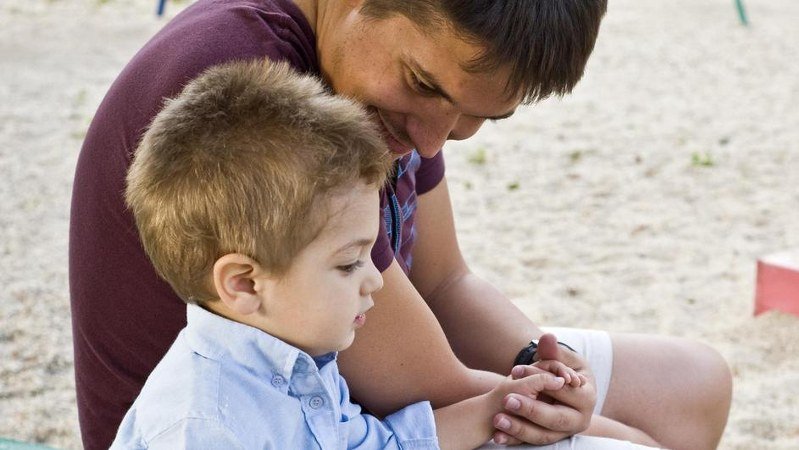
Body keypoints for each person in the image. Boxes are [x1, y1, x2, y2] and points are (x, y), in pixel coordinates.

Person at [69, 1, 732, 449]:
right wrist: (593, 424)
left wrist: (540, 366)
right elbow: (422, 384)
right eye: (424, 86)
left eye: (478, 118)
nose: (432, 142)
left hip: (349, 389)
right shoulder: (256, 89)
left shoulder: (384, 98)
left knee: (692, 385)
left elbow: (444, 281)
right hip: (283, 416)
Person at [111, 58, 591, 449]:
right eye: (348, 263)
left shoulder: (302, 355)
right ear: (244, 284)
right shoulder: (204, 425)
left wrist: (496, 406)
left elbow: (378, 445)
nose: (376, 280)